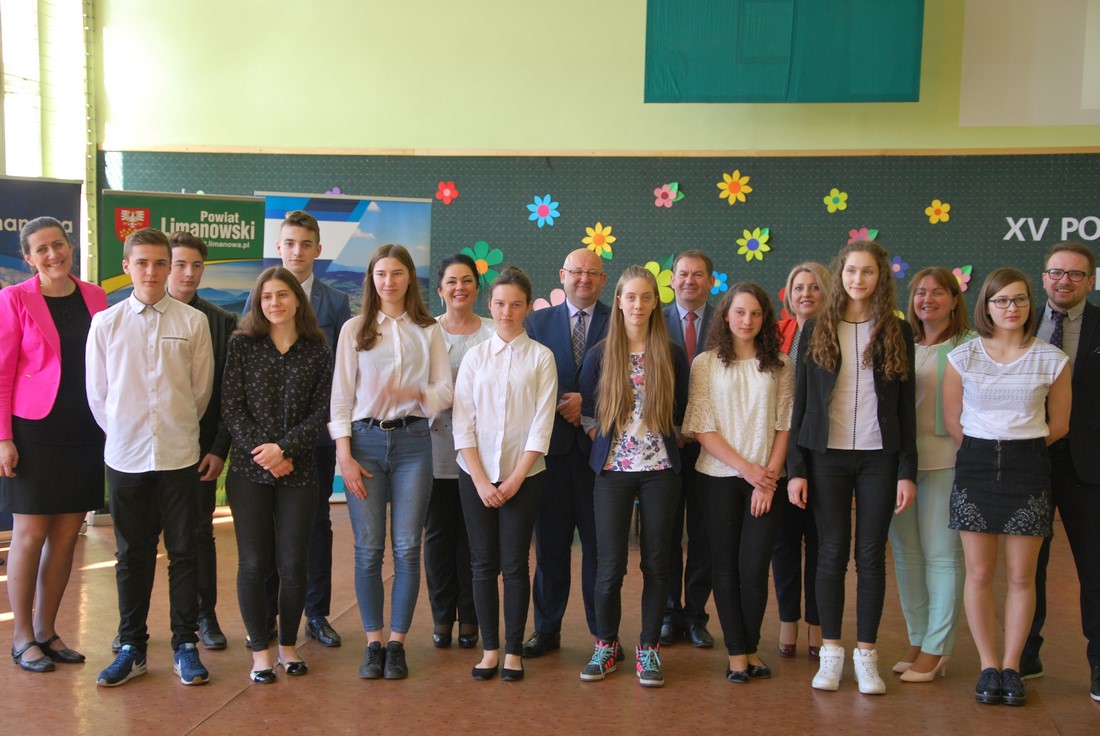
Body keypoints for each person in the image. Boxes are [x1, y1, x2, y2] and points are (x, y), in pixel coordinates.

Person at [787, 240, 916, 695]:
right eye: (851, 271)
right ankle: (831, 655)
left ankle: (866, 657)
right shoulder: (817, 327)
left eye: (868, 271)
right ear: (840, 275)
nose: (858, 279)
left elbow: (906, 408)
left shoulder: (897, 330)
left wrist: (907, 470)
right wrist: (797, 468)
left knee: (871, 557)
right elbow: (801, 402)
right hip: (827, 458)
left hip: (881, 458)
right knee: (830, 553)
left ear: (881, 278)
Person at [86, 227, 214, 687]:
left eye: (161, 263)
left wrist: (171, 429)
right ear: (127, 267)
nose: (152, 271)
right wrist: (129, 432)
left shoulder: (192, 323)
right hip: (126, 457)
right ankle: (132, 647)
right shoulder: (106, 323)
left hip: (178, 455)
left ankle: (185, 645)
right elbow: (98, 395)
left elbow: (200, 393)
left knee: (184, 552)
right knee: (131, 555)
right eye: (142, 262)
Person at [944, 267, 1070, 706]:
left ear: (1030, 304)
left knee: (1021, 576)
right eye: (1001, 300)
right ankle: (988, 667)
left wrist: (1017, 447)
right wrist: (989, 448)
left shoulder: (1052, 359)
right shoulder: (963, 357)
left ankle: (1012, 667)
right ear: (987, 306)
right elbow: (952, 421)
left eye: (1019, 299)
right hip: (975, 466)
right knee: (979, 574)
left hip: (1029, 469)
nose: (1011, 307)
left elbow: (1060, 424)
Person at [330, 244, 452, 680]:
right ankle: (373, 643)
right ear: (371, 279)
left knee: (407, 547)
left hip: (413, 444)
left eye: (397, 273)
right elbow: (341, 397)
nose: (389, 281)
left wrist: (415, 394)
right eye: (381, 274)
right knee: (368, 549)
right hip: (363, 443)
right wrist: (343, 456)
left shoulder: (428, 329)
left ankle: (396, 644)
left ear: (409, 278)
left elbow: (445, 391)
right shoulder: (354, 329)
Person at [1, 217, 107, 672]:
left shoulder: (95, 296)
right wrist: (3, 437)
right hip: (33, 431)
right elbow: (2, 372)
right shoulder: (14, 298)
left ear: (70, 247)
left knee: (66, 536)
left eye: (58, 245)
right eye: (41, 249)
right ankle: (22, 637)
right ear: (28, 258)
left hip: (85, 431)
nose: (52, 255)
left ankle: (47, 630)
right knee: (30, 535)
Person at [242, 209, 351, 648]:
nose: (297, 251)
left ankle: (317, 614)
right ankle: (267, 615)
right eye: (289, 243)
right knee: (267, 531)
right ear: (279, 247)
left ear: (317, 250)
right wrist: (272, 447)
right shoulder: (259, 296)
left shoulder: (335, 302)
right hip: (263, 444)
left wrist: (297, 444)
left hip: (313, 440)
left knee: (316, 525)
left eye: (306, 244)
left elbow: (338, 374)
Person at [577, 265, 689, 688]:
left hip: (660, 472)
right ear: (619, 302)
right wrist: (609, 444)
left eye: (646, 297)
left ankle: (648, 649)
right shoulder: (600, 355)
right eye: (630, 297)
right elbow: (589, 412)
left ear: (655, 303)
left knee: (658, 564)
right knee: (609, 567)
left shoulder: (671, 354)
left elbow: (680, 409)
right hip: (613, 473)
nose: (638, 304)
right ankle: (606, 645)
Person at [222, 267, 332, 684]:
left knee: (293, 563)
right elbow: (232, 407)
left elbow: (321, 410)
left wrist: (284, 449)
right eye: (267, 296)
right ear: (258, 302)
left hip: (299, 471)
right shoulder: (242, 344)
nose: (275, 303)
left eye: (283, 295)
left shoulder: (317, 348)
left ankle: (287, 646)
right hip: (250, 471)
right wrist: (268, 454)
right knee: (254, 563)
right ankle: (260, 651)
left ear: (297, 300)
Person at [684, 282, 792, 683]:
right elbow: (702, 426)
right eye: (740, 312)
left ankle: (751, 646)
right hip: (718, 479)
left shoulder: (781, 364)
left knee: (754, 568)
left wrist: (765, 481)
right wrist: (747, 470)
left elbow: (784, 425)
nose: (747, 320)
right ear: (726, 316)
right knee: (725, 567)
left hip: (766, 481)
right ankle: (736, 654)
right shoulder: (705, 364)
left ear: (765, 318)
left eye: (756, 313)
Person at [453, 267, 557, 682]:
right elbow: (463, 423)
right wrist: (481, 480)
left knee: (515, 565)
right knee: (482, 564)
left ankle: (513, 650)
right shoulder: (474, 357)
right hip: (474, 476)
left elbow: (542, 426)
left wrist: (514, 479)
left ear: (528, 307)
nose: (507, 312)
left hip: (524, 476)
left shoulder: (542, 357)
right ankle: (490, 650)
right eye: (499, 304)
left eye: (516, 305)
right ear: (489, 304)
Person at [521, 249, 611, 658]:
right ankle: (546, 630)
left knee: (600, 551)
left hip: (600, 455)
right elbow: (525, 380)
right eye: (576, 271)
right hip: (551, 455)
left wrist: (588, 404)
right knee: (550, 548)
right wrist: (566, 401)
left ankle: (603, 634)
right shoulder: (536, 323)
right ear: (562, 275)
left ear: (603, 280)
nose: (583, 279)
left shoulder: (621, 321)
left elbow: (632, 380)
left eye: (592, 273)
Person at [1022, 242, 1100, 701]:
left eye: (1075, 274)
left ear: (1090, 281)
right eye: (1056, 272)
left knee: (1095, 567)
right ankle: (1026, 653)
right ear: (1044, 277)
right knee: (1027, 566)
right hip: (1031, 462)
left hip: (1087, 467)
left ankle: (1099, 663)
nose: (1064, 281)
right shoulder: (1021, 322)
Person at [889, 267, 974, 682]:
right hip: (899, 467)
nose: (927, 299)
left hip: (947, 463)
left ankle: (937, 647)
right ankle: (918, 638)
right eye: (921, 292)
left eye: (938, 292)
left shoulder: (970, 344)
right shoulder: (902, 342)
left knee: (941, 556)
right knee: (906, 556)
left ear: (955, 300)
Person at [166, 232, 237, 650]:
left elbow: (229, 396)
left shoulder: (221, 322)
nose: (188, 273)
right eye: (179, 264)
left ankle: (205, 616)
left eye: (196, 265)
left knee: (198, 535)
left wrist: (218, 449)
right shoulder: (139, 316)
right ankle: (132, 629)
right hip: (151, 450)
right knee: (143, 540)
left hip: (200, 451)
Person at [426, 254, 494, 649]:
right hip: (433, 451)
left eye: (467, 280)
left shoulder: (492, 332)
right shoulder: (425, 331)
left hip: (480, 457)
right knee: (438, 536)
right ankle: (442, 616)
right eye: (452, 281)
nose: (459, 288)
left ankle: (470, 617)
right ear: (440, 290)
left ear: (477, 288)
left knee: (473, 537)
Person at [772, 262, 829, 661]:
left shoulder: (838, 334)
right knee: (785, 543)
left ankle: (818, 623)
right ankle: (788, 619)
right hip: (780, 452)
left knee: (821, 544)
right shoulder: (777, 333)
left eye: (814, 287)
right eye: (798, 287)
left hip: (823, 455)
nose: (805, 294)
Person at [660, 249, 716, 648]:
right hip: (664, 445)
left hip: (712, 447)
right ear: (672, 279)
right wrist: (676, 428)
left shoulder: (726, 321)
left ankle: (696, 615)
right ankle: (668, 613)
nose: (689, 281)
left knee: (703, 534)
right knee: (664, 535)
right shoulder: (653, 318)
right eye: (683, 274)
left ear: (710, 281)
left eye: (698, 275)